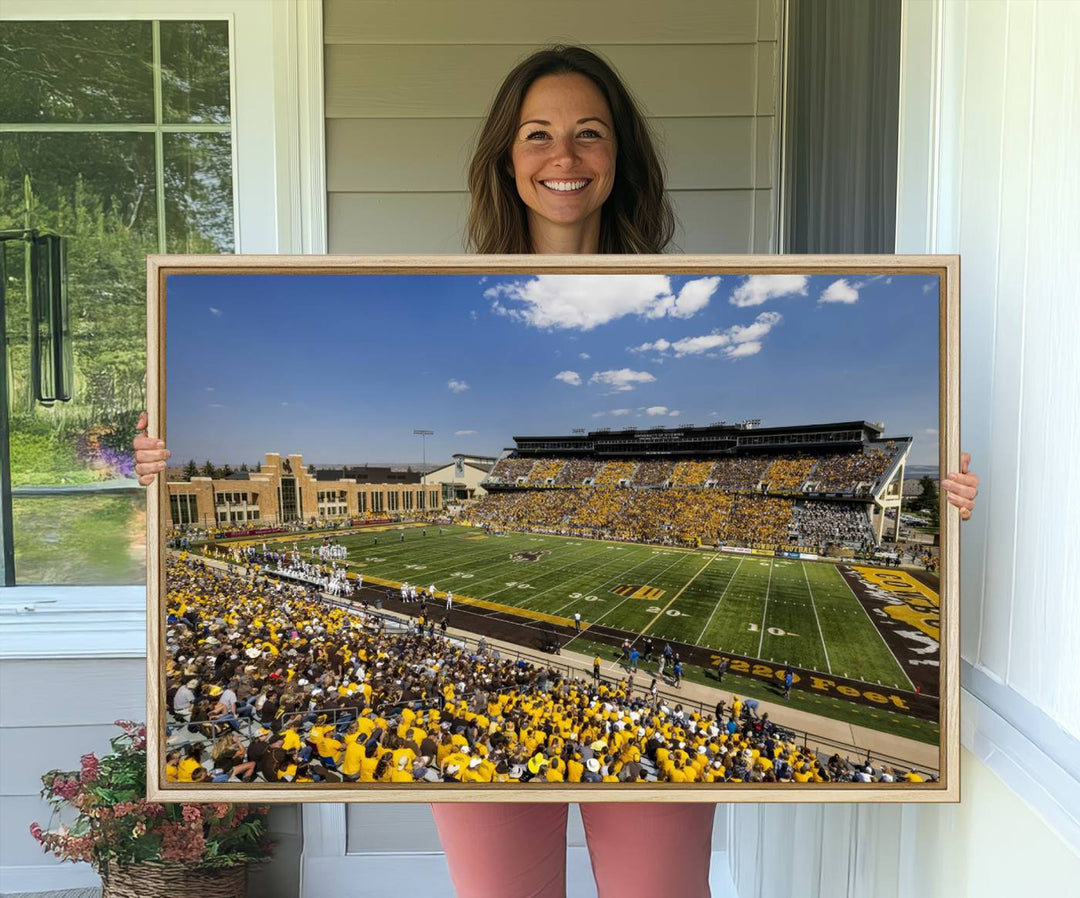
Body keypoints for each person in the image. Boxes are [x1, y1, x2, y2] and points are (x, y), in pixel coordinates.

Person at [134, 42, 981, 898]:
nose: (563, 156)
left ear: (621, 157)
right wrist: (155, 466)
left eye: (589, 133)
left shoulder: (693, 287)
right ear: (506, 158)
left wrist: (942, 504)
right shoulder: (450, 288)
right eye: (537, 134)